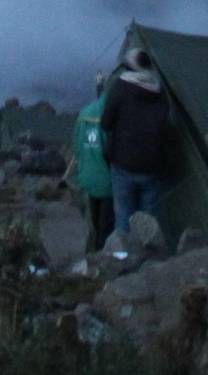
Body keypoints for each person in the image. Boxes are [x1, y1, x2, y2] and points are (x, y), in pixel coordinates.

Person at [97, 47, 175, 254]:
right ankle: (148, 262)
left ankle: (122, 262)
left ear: (128, 65)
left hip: (123, 165)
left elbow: (106, 123)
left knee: (123, 217)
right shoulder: (160, 90)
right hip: (152, 166)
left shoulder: (121, 87)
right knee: (148, 221)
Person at [72, 73, 115, 252]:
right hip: (106, 180)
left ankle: (95, 251)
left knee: (95, 219)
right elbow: (112, 149)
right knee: (107, 224)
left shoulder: (85, 113)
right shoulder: (112, 114)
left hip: (87, 176)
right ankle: (104, 257)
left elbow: (76, 146)